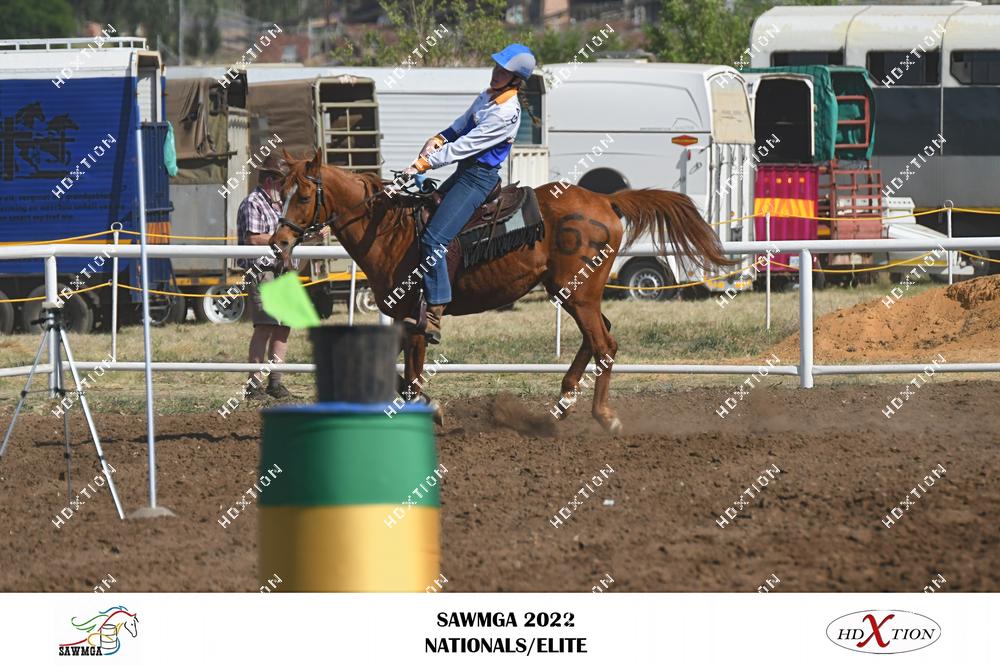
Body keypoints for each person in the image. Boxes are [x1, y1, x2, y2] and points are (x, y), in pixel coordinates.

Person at [402, 43, 536, 344]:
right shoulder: (487, 96)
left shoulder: (507, 112)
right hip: (464, 173)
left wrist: (424, 163)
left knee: (434, 238)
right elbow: (460, 127)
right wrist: (438, 138)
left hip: (478, 179)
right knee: (421, 219)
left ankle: (434, 312)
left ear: (516, 79)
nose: (496, 73)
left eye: (504, 71)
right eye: (497, 67)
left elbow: (465, 146)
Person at [237, 154, 328, 400]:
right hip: (263, 270)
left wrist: (312, 237)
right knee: (265, 327)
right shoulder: (253, 202)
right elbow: (253, 239)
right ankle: (254, 386)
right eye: (282, 181)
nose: (286, 186)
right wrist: (282, 239)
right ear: (270, 180)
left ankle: (275, 383)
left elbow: (290, 238)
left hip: (284, 270)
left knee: (283, 327)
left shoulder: (281, 205)